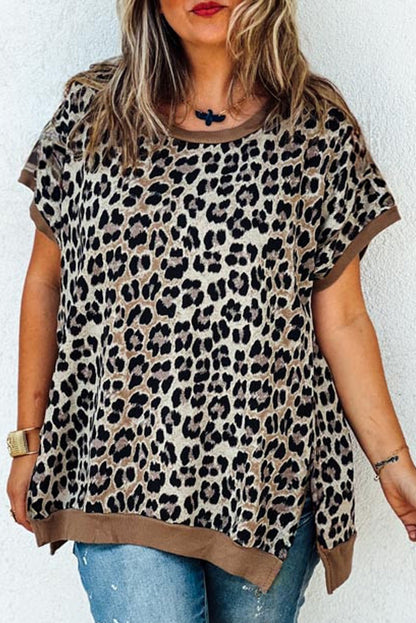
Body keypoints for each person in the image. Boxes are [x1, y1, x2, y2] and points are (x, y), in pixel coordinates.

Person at [6, 0, 416, 621]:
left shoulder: (315, 126)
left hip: (267, 483)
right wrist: (26, 442)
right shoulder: (92, 115)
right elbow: (45, 282)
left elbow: (343, 318)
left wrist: (393, 465)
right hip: (116, 470)